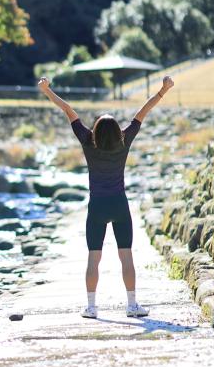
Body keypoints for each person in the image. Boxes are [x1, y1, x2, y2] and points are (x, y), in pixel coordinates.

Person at [37, 74, 175, 319]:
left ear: (96, 131)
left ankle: (91, 308)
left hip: (97, 206)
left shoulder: (88, 141)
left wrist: (47, 91)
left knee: (94, 258)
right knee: (126, 256)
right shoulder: (125, 140)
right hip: (119, 204)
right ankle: (132, 305)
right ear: (117, 132)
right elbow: (143, 111)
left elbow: (68, 110)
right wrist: (164, 90)